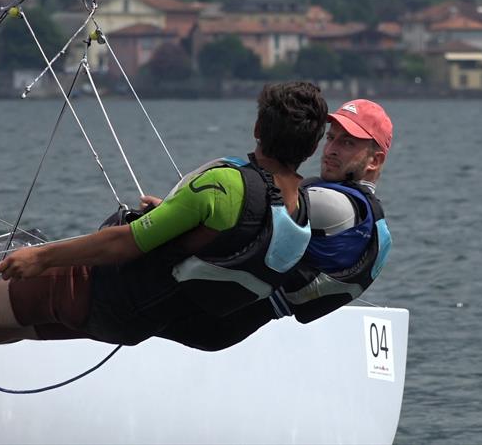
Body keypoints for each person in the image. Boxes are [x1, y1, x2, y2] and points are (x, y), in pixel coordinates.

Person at [0, 81, 329, 360]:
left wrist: (40, 256)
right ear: (310, 148)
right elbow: (225, 245)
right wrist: (174, 221)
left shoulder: (226, 185)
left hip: (105, 291)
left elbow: (124, 244)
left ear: (257, 129)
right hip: (138, 323)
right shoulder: (300, 211)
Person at [147, 99, 394, 351]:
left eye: (347, 143)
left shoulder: (336, 205)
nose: (330, 149)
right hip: (224, 319)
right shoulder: (364, 213)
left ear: (374, 161)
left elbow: (247, 203)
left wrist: (174, 214)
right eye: (330, 138)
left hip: (209, 313)